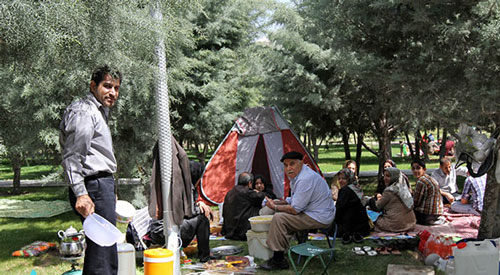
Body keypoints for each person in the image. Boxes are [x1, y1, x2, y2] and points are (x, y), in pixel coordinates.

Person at [60, 65, 122, 275]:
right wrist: (81, 194)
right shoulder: (84, 112)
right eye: (107, 86)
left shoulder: (98, 112)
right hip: (91, 186)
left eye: (116, 88)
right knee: (101, 258)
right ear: (93, 86)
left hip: (100, 185)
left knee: (104, 253)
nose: (112, 93)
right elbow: (73, 157)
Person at [259, 151, 335, 271]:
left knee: (280, 218)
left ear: (301, 163)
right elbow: (294, 200)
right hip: (314, 212)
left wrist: (274, 207)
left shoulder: (305, 179)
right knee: (276, 213)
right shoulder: (299, 176)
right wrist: (276, 202)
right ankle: (285, 249)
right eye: (285, 165)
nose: (288, 168)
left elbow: (295, 209)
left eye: (292, 164)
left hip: (320, 216)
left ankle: (278, 260)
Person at [368, 167, 416, 232]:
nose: (384, 178)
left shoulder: (390, 190)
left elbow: (377, 206)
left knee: (370, 218)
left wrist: (370, 200)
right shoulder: (403, 188)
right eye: (384, 175)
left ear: (394, 177)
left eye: (388, 176)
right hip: (410, 223)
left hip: (396, 224)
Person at [222, 172, 265, 240]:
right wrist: (257, 192)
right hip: (241, 232)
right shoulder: (247, 192)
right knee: (260, 207)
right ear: (250, 183)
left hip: (229, 231)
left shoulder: (229, 193)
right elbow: (262, 197)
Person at [334, 168, 371, 243]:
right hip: (363, 227)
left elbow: (338, 210)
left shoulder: (345, 191)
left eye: (343, 179)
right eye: (339, 178)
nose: (340, 181)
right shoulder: (356, 188)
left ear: (349, 179)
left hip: (349, 226)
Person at [411, 159, 445, 225]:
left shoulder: (421, 181)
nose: (415, 171)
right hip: (438, 213)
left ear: (424, 169)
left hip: (427, 215)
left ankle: (430, 221)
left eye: (418, 168)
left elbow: (416, 202)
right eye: (413, 169)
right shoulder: (430, 178)